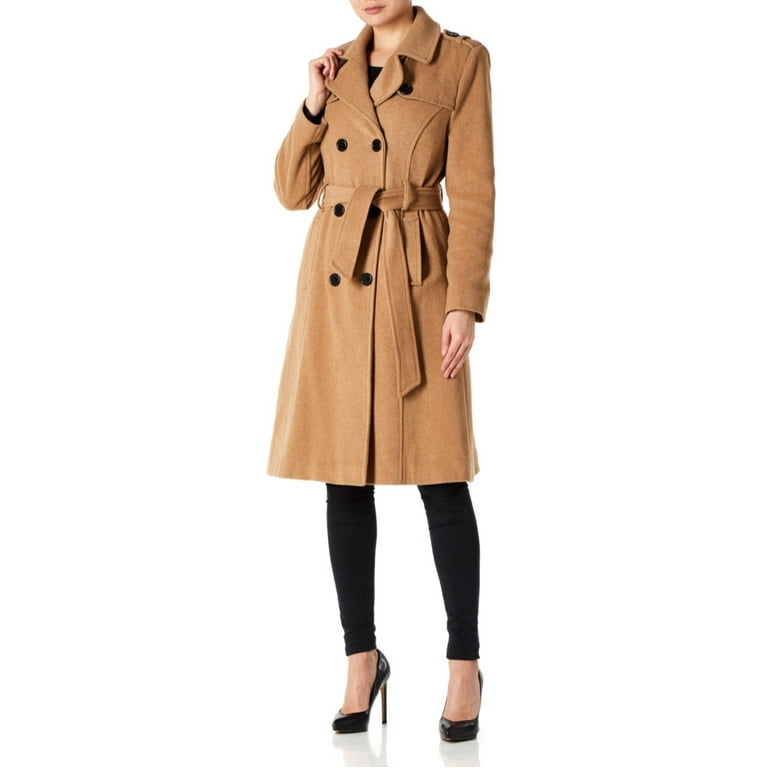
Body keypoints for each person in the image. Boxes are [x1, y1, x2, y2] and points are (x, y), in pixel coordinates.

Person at [267, 0, 494, 742]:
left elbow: (476, 193)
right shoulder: (335, 66)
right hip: (336, 288)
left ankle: (464, 665)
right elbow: (291, 191)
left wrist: (463, 301)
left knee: (441, 478)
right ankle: (361, 660)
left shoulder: (460, 61)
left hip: (417, 285)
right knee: (343, 480)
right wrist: (312, 104)